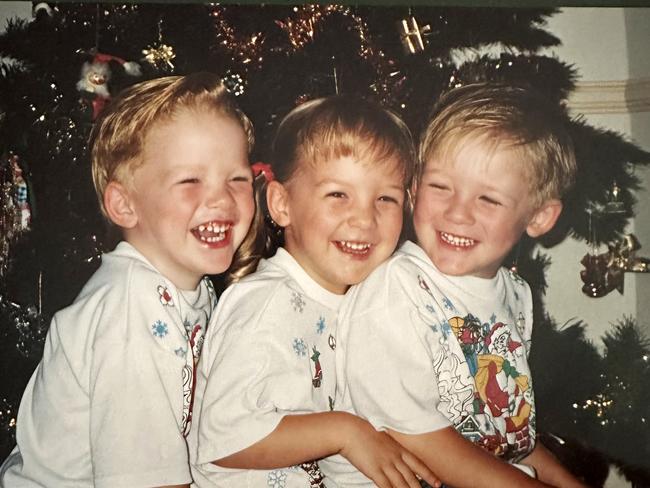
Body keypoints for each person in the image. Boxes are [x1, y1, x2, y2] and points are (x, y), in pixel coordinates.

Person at [323, 83, 588, 487]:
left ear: (538, 217)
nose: (457, 213)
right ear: (414, 188)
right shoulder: (396, 291)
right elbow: (418, 436)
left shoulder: (515, 296)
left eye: (488, 200)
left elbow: (509, 435)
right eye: (440, 187)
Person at [0, 72, 256, 488]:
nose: (222, 198)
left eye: (237, 179)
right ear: (124, 205)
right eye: (190, 180)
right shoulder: (129, 309)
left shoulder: (192, 286)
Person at [188, 95, 439, 488]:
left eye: (385, 198)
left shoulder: (367, 298)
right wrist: (346, 432)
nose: (364, 218)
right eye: (339, 194)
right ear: (282, 204)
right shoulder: (264, 303)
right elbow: (226, 439)